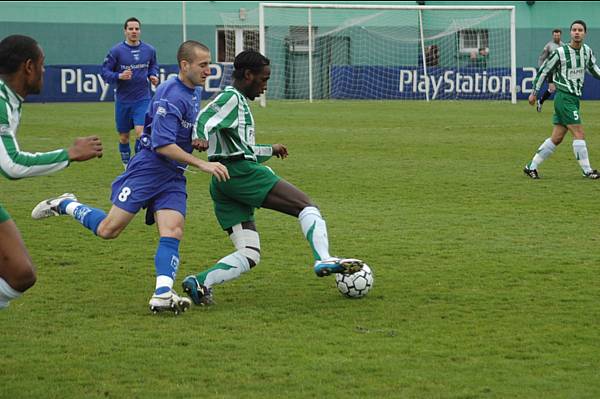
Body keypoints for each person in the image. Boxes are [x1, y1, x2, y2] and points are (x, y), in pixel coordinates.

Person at [31, 41, 230, 314]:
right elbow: (161, 144)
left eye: (210, 64)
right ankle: (66, 204)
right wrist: (203, 165)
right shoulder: (170, 94)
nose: (209, 70)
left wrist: (195, 139)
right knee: (108, 230)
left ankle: (162, 293)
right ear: (185, 65)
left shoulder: (193, 91)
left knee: (173, 230)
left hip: (173, 174)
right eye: (203, 65)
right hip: (149, 168)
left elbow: (180, 130)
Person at [180, 50, 365, 306]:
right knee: (306, 206)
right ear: (248, 75)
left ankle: (200, 282)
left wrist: (271, 149)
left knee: (249, 253)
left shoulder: (239, 103)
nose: (265, 85)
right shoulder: (231, 98)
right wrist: (198, 136)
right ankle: (324, 258)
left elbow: (242, 149)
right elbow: (204, 117)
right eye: (264, 79)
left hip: (223, 181)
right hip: (240, 173)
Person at [0, 35, 103, 309]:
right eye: (43, 65)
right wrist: (70, 154)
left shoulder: (8, 99)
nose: (45, 71)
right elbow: (12, 164)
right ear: (29, 66)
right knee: (20, 273)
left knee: (21, 274)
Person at [524, 20, 600, 180]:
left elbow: (594, 69)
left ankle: (531, 167)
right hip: (564, 97)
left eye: (580, 30)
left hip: (573, 99)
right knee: (579, 133)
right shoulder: (560, 52)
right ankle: (587, 170)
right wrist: (534, 92)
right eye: (574, 30)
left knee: (557, 138)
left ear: (585, 33)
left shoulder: (587, 51)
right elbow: (544, 71)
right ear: (570, 33)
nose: (577, 32)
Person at [101, 17, 159, 168]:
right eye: (131, 29)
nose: (134, 31)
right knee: (124, 137)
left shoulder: (149, 50)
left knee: (141, 133)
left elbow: (153, 66)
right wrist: (119, 76)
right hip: (123, 100)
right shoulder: (116, 51)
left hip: (143, 98)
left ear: (140, 30)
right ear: (125, 31)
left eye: (137, 29)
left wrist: (153, 75)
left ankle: (138, 164)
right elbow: (105, 72)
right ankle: (126, 165)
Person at [536, 29, 564, 112]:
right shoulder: (549, 46)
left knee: (562, 89)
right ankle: (540, 101)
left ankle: (561, 107)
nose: (556, 37)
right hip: (550, 71)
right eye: (555, 35)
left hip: (559, 71)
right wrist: (542, 69)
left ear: (560, 35)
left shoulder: (563, 46)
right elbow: (541, 58)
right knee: (552, 89)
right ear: (553, 36)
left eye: (558, 35)